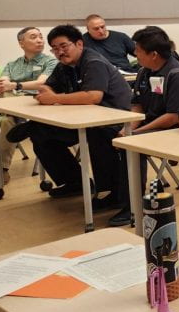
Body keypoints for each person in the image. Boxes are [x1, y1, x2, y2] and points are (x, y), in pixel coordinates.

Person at [13, 25, 130, 217]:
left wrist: (55, 98)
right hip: (80, 118)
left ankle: (112, 194)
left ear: (79, 44)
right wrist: (51, 94)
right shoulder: (64, 66)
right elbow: (46, 88)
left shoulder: (93, 62)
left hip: (112, 119)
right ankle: (75, 182)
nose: (59, 52)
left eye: (64, 46)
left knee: (97, 134)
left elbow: (93, 96)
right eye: (55, 48)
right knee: (41, 135)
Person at [113, 26, 179, 226]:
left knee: (133, 148)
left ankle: (133, 205)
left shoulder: (177, 75)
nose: (135, 55)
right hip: (150, 126)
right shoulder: (144, 71)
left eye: (139, 51)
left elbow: (174, 116)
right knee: (108, 135)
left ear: (154, 54)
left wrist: (136, 133)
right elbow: (137, 104)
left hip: (174, 130)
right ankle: (116, 195)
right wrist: (129, 128)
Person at [0, 27, 57, 185]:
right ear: (21, 43)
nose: (39, 40)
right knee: (6, 121)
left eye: (40, 36)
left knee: (7, 118)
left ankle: (1, 170)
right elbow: (3, 83)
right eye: (33, 37)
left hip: (38, 104)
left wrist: (15, 85)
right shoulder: (12, 64)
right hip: (13, 106)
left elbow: (41, 83)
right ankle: (1, 170)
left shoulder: (50, 61)